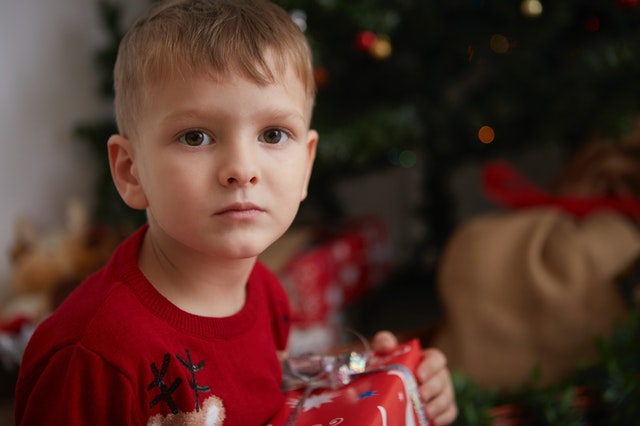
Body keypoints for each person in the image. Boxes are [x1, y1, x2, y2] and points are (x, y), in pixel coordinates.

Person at [14, 0, 457, 424]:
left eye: (273, 134)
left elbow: (258, 394)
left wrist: (384, 378)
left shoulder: (266, 293)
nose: (242, 170)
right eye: (196, 137)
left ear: (306, 164)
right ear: (131, 172)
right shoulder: (92, 356)